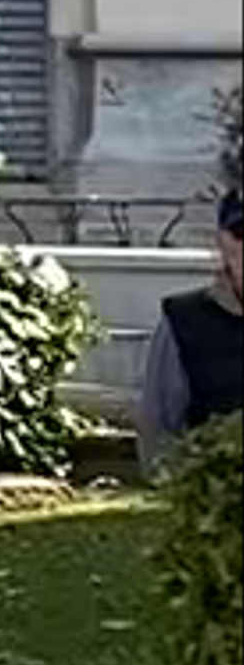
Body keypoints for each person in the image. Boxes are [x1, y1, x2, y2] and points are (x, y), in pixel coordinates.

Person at [134, 197, 244, 468]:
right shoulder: (183, 320)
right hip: (212, 495)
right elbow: (157, 430)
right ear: (222, 242)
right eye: (242, 234)